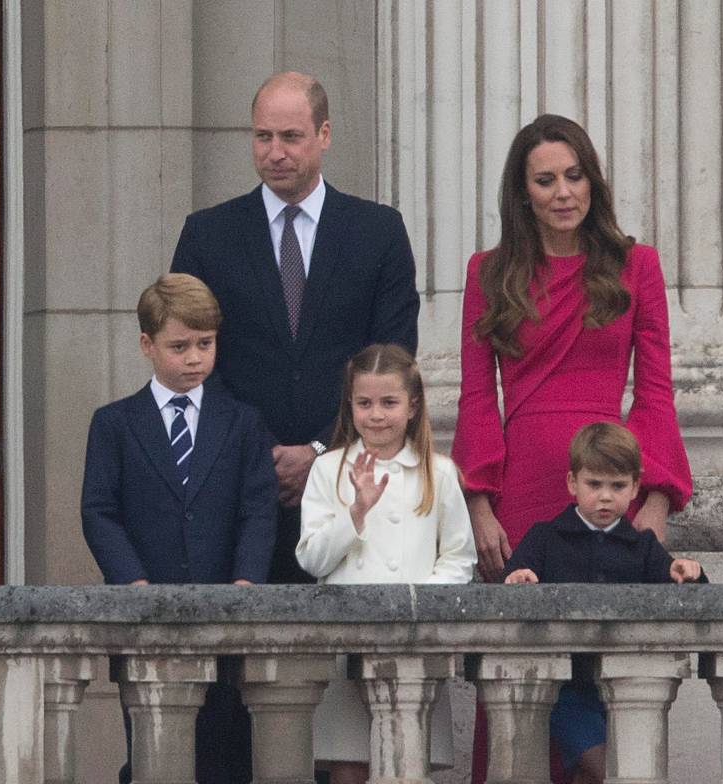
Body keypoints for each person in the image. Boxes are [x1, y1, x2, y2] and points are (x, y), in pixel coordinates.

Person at [171, 70, 420, 584]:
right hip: (236, 487)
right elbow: (187, 359)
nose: (275, 152)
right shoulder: (208, 234)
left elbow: (394, 355)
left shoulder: (378, 232)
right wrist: (258, 451)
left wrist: (322, 450)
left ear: (324, 135)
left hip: (350, 485)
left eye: (291, 137)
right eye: (263, 137)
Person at [454, 113, 692, 582]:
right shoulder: (488, 273)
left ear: (592, 183)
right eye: (545, 181)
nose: (563, 192)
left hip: (611, 480)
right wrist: (478, 505)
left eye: (574, 176)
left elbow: (655, 391)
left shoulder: (638, 265)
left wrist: (658, 499)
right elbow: (477, 397)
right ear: (524, 193)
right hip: (521, 489)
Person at [80, 273, 279, 784]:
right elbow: (99, 511)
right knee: (151, 752)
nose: (194, 358)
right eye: (179, 346)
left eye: (205, 344)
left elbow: (258, 510)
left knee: (223, 752)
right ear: (147, 345)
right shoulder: (114, 423)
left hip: (224, 612)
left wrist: (244, 586)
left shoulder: (242, 422)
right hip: (143, 616)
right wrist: (135, 586)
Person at [295, 344, 474, 783]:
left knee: (406, 766)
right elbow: (311, 556)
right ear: (350, 405)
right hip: (345, 643)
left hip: (414, 644)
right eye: (365, 403)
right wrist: (355, 512)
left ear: (412, 406)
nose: (376, 415)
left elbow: (459, 558)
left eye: (388, 403)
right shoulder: (329, 469)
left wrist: (415, 606)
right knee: (349, 768)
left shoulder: (440, 471)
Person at [503, 422, 706, 784]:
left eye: (617, 486)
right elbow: (509, 585)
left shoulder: (642, 547)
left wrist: (689, 572)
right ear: (572, 483)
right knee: (607, 767)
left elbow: (683, 587)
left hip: (629, 687)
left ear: (635, 487)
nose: (606, 497)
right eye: (594, 484)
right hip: (567, 689)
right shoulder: (546, 538)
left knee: (591, 775)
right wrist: (518, 579)